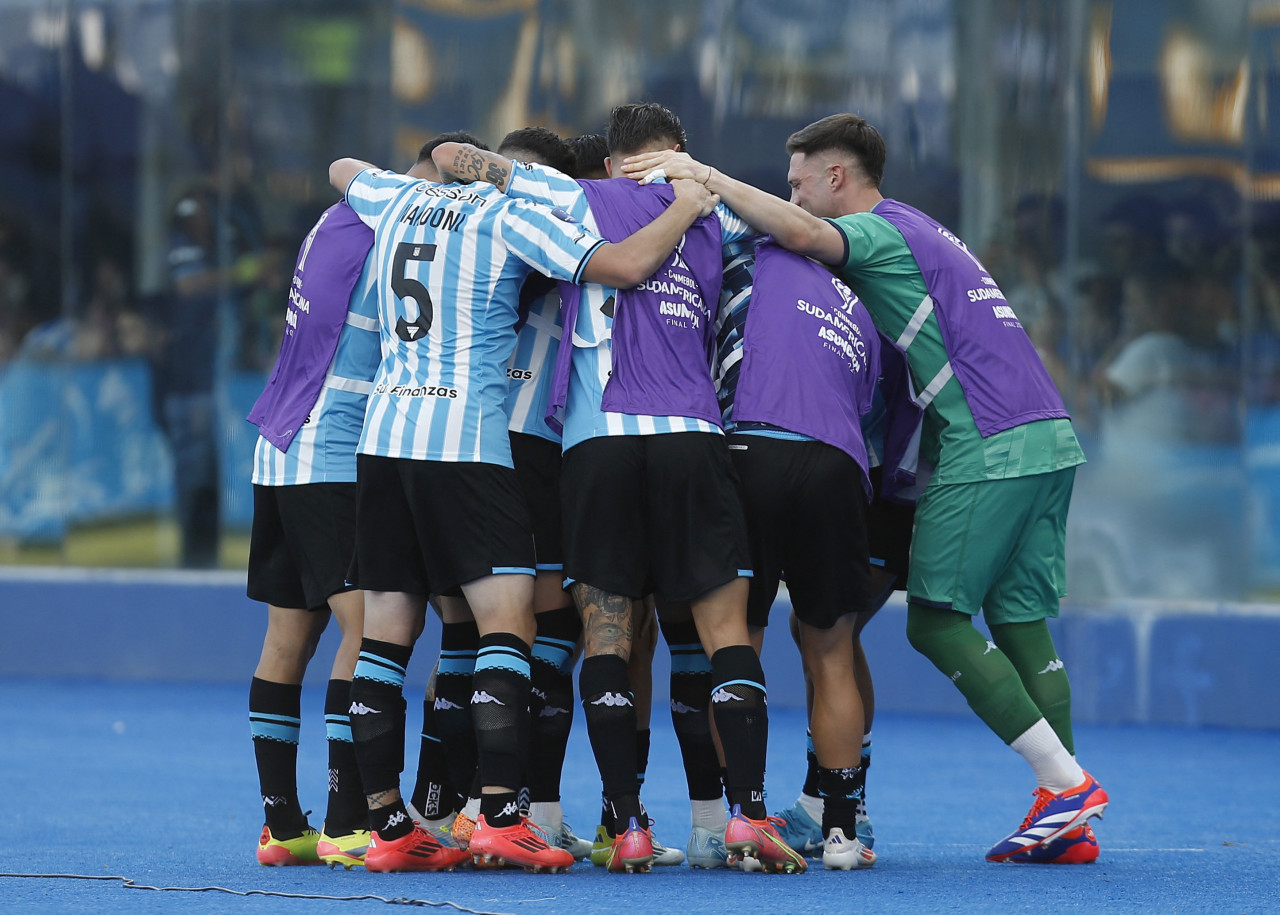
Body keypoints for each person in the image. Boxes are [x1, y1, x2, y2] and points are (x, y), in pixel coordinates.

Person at [623, 112, 1109, 865]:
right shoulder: (927, 232)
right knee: (1016, 626)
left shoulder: (876, 233)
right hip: (1049, 437)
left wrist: (708, 181)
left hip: (987, 444)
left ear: (836, 179)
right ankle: (1063, 817)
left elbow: (805, 236)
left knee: (935, 623)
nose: (793, 199)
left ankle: (1065, 783)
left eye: (798, 184)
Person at [432, 102, 805, 875]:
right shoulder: (716, 213)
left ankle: (627, 826)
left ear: (609, 162)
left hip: (596, 445)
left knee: (602, 634)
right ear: (677, 151)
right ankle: (746, 817)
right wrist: (702, 183)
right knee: (722, 631)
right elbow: (792, 231)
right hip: (690, 441)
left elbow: (451, 158)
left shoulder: (574, 197)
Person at [330, 136, 717, 873]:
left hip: (384, 443)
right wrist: (691, 203)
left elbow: (343, 168)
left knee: (386, 633)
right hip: (468, 444)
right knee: (509, 621)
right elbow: (632, 266)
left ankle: (387, 827)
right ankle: (503, 813)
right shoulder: (512, 216)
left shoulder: (398, 197)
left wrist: (442, 168)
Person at [710, 228, 913, 870]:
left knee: (736, 642)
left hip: (752, 449)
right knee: (832, 650)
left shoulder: (738, 259)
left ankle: (746, 821)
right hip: (838, 465)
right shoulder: (861, 301)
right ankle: (844, 834)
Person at [243, 189, 385, 868]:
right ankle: (346, 819)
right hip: (327, 453)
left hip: (277, 442)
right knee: (366, 627)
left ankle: (281, 824)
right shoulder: (390, 230)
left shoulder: (334, 220)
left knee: (288, 636)